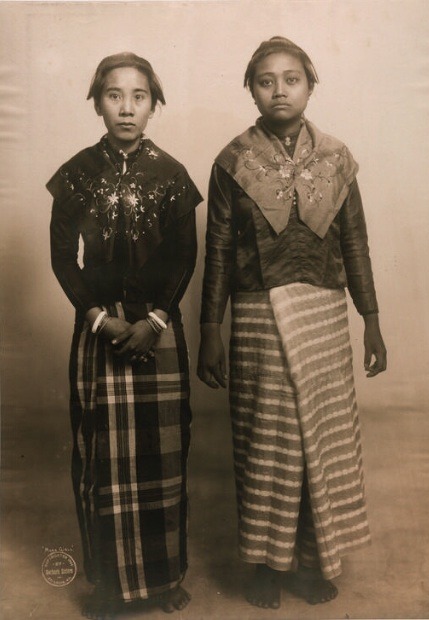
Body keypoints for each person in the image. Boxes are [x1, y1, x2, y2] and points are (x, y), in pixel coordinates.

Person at [198, 36, 387, 611]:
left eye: (291, 79)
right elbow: (221, 250)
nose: (279, 90)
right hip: (257, 317)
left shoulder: (338, 158)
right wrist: (211, 329)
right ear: (250, 89)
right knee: (265, 442)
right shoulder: (232, 161)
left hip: (325, 318)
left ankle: (310, 561)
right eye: (265, 80)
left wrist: (371, 320)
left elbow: (354, 242)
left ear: (310, 85)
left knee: (318, 443)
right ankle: (262, 565)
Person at [47, 52, 202, 619]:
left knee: (163, 457)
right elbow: (63, 257)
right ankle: (110, 587)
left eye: (139, 96)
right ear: (97, 102)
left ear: (154, 104)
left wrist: (157, 319)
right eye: (114, 95)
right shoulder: (77, 174)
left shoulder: (172, 176)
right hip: (100, 328)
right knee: (103, 461)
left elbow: (187, 255)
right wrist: (98, 317)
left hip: (158, 328)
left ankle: (163, 581)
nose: (127, 107)